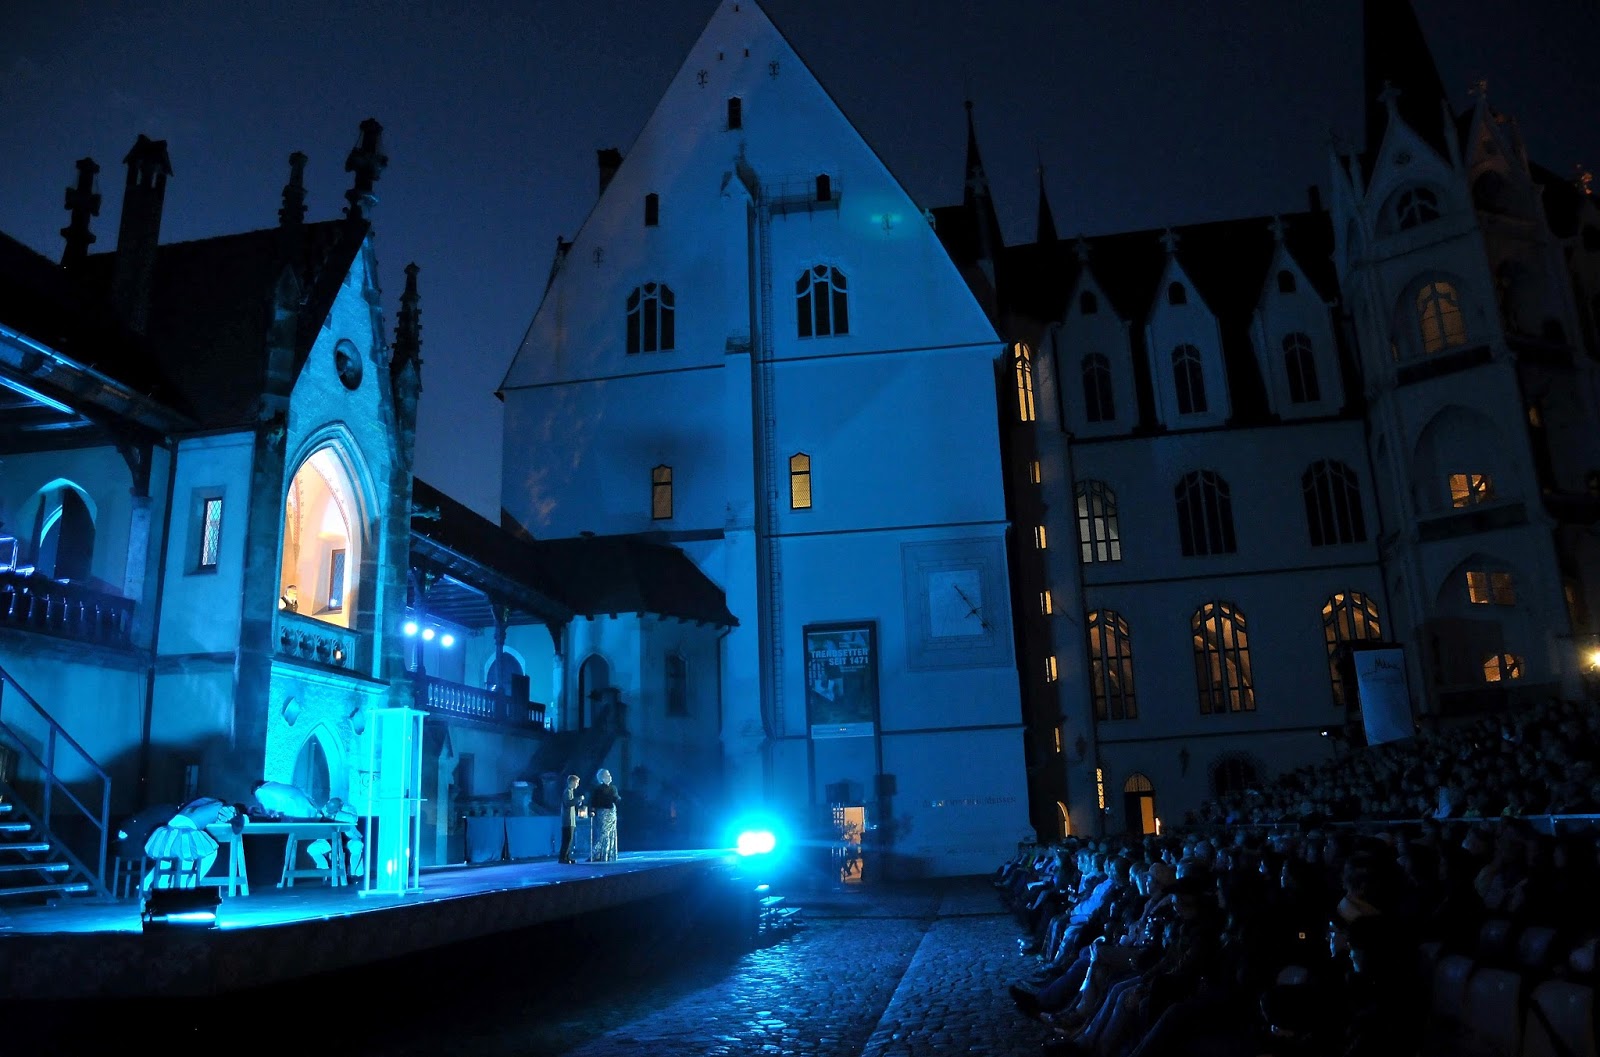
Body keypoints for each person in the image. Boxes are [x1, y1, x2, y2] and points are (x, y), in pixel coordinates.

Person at [589, 768, 620, 862]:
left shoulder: (613, 788)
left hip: (612, 812)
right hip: (603, 813)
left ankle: (609, 855)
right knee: (603, 833)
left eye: (609, 775)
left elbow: (615, 799)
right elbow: (593, 801)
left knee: (611, 833)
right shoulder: (598, 789)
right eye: (607, 775)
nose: (610, 777)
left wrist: (618, 799)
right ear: (602, 778)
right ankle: (596, 854)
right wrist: (592, 810)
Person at [559, 774, 584, 864]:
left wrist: (578, 801)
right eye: (577, 782)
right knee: (567, 839)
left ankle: (566, 857)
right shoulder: (567, 792)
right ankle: (563, 858)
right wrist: (578, 799)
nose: (577, 784)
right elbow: (568, 803)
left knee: (569, 840)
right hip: (567, 820)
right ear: (572, 782)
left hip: (570, 820)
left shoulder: (570, 792)